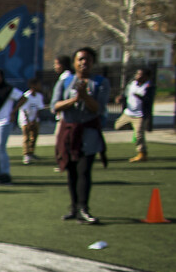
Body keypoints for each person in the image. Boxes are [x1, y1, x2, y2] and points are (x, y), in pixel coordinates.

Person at [51, 46, 109, 225]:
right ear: (75, 62)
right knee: (71, 171)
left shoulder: (100, 82)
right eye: (80, 59)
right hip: (69, 131)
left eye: (88, 60)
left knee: (84, 170)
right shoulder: (65, 81)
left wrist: (85, 97)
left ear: (93, 63)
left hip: (88, 132)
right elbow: (55, 105)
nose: (84, 63)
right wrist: (74, 100)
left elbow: (98, 108)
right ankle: (73, 207)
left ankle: (84, 208)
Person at [0, 69, 24, 186]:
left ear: (2, 77)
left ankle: (5, 174)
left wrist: (14, 111)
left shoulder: (9, 89)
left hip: (3, 122)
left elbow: (23, 97)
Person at [115, 68, 150, 163]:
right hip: (128, 113)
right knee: (117, 126)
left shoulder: (148, 86)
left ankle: (142, 154)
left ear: (146, 77)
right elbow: (126, 95)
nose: (138, 76)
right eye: (137, 74)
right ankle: (135, 128)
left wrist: (141, 97)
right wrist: (121, 98)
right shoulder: (132, 84)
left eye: (140, 74)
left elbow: (149, 100)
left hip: (139, 115)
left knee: (139, 135)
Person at [17, 79, 47, 165]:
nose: (39, 86)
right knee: (26, 137)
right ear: (33, 86)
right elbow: (25, 110)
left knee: (34, 136)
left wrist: (34, 120)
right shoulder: (26, 96)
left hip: (34, 120)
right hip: (25, 120)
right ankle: (26, 156)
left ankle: (31, 153)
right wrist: (29, 122)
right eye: (38, 84)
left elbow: (39, 108)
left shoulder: (39, 96)